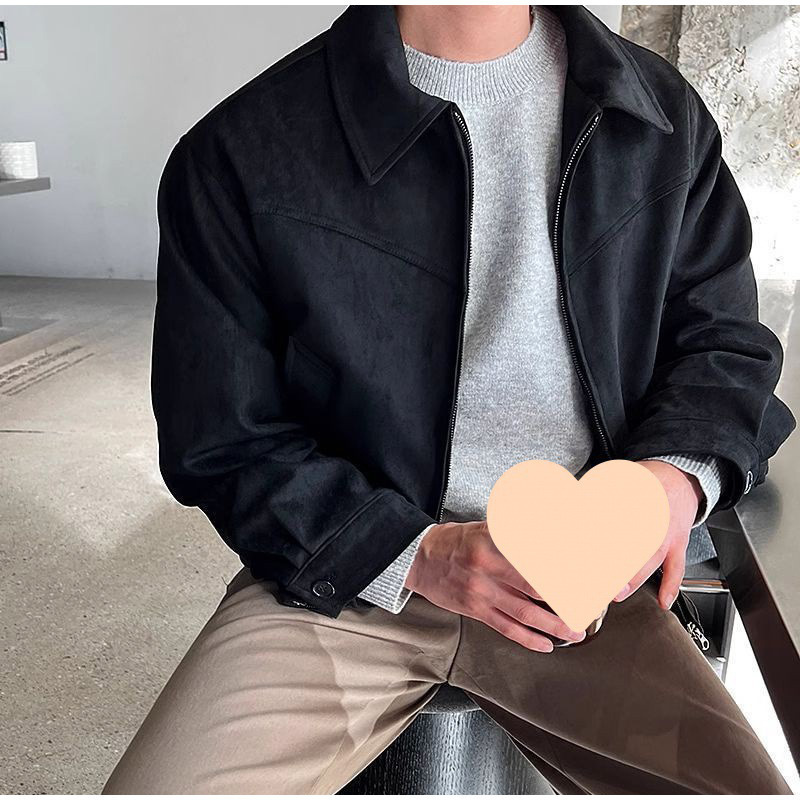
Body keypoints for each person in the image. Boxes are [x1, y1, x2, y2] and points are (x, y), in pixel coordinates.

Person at [104, 5, 795, 794]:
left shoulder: (659, 117)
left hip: (581, 577)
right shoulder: (242, 151)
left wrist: (671, 481)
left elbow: (724, 342)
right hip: (345, 577)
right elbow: (222, 437)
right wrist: (420, 555)